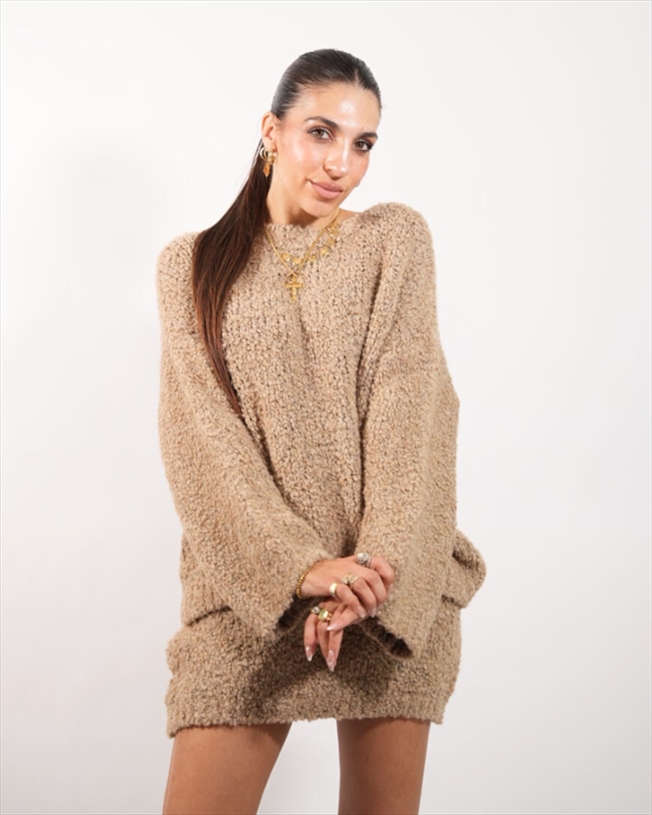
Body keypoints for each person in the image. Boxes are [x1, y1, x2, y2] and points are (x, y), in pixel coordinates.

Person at [156, 48, 486, 815]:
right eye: (321, 132)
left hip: (388, 593)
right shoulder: (190, 265)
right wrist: (302, 567)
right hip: (248, 594)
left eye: (363, 143)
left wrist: (367, 574)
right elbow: (201, 444)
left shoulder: (394, 240)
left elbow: (412, 413)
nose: (342, 162)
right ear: (271, 131)